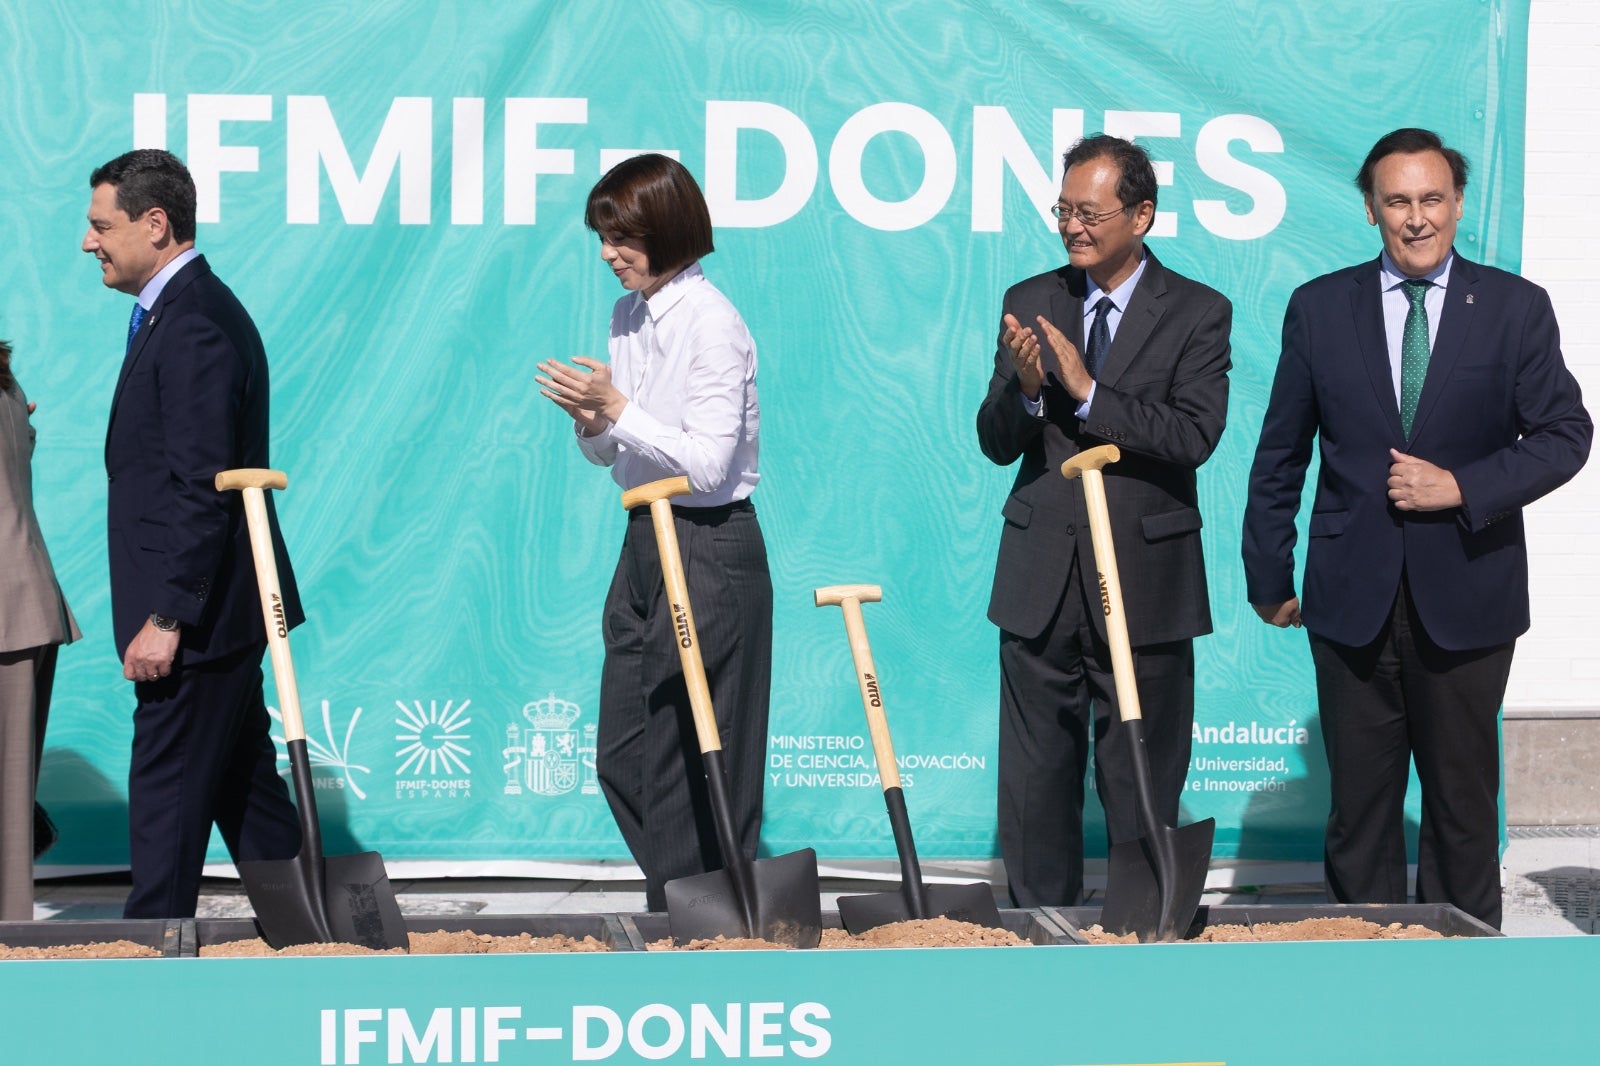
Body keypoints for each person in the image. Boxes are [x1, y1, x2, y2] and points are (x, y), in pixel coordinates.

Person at [1241, 128, 1592, 929]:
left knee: (1463, 808)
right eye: (1397, 201)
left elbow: (1566, 434)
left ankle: (1463, 975)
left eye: (1432, 198)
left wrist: (1462, 486)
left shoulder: (1514, 308)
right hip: (1349, 598)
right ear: (1371, 210)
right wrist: (1268, 574)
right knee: (1359, 811)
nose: (1417, 217)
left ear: (1458, 204)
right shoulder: (1320, 307)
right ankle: (1360, 971)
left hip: (1470, 592)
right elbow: (1281, 453)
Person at [976, 134, 1232, 907]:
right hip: (1041, 578)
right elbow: (995, 442)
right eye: (1063, 211)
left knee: (1141, 768)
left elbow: (1194, 436)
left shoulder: (1198, 311)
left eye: (1090, 213)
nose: (1072, 228)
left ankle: (1142, 928)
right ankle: (1041, 926)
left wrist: (1088, 392)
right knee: (1035, 778)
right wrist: (1027, 390)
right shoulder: (1031, 297)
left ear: (1141, 215)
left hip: (1144, 580)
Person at [535, 154, 770, 912]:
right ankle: (692, 897)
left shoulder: (713, 323)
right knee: (624, 752)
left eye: (621, 238)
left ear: (666, 231)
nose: (608, 254)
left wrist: (621, 410)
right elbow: (615, 454)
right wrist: (593, 421)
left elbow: (708, 464)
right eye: (602, 238)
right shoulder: (627, 316)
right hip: (643, 535)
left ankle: (688, 916)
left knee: (689, 752)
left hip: (708, 540)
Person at [83, 148, 304, 919]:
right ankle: (314, 935)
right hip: (216, 611)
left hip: (198, 620)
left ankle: (149, 955)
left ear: (155, 223)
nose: (89, 241)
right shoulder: (178, 312)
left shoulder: (195, 324)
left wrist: (168, 616)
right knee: (246, 792)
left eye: (101, 225)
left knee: (166, 795)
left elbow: (201, 487)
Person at [0, 339, 81, 920]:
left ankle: (9, 938)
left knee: (9, 801)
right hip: (20, 602)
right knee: (9, 792)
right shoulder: (7, 383)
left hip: (11, 610)